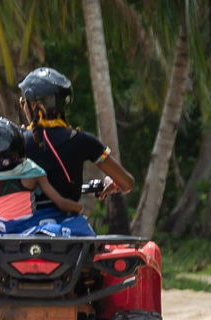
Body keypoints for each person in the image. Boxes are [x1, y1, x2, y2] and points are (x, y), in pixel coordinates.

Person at [17, 68, 135, 225]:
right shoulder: (83, 140)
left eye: (23, 102)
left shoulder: (15, 141)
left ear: (33, 105)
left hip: (24, 228)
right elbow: (127, 183)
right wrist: (112, 183)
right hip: (69, 229)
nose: (22, 106)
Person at [0, 117, 88, 236]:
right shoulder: (33, 172)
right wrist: (79, 208)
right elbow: (60, 203)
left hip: (3, 229)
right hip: (30, 226)